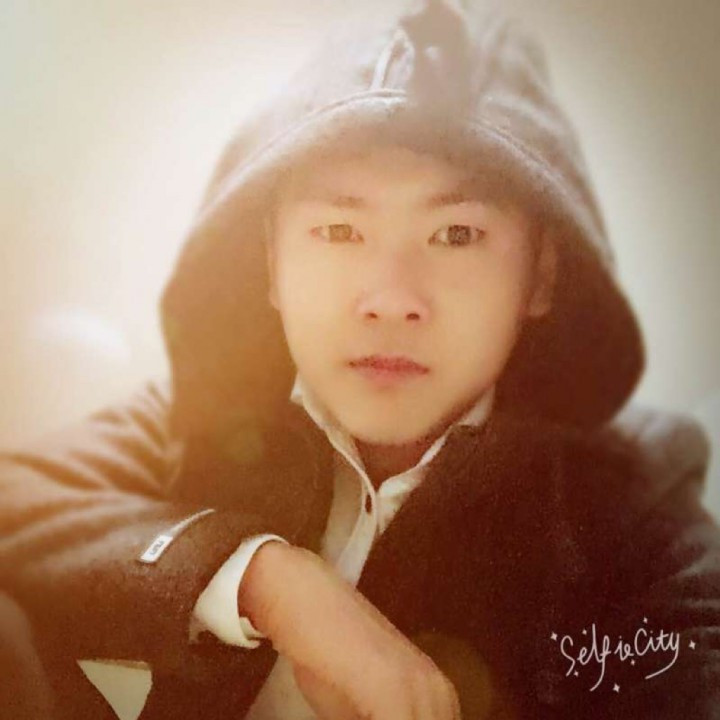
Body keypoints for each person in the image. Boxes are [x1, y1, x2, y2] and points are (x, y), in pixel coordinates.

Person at [1, 0, 719, 718]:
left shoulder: (633, 504)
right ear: (272, 262)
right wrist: (268, 582)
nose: (390, 299)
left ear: (542, 276)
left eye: (457, 234)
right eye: (339, 230)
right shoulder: (208, 413)